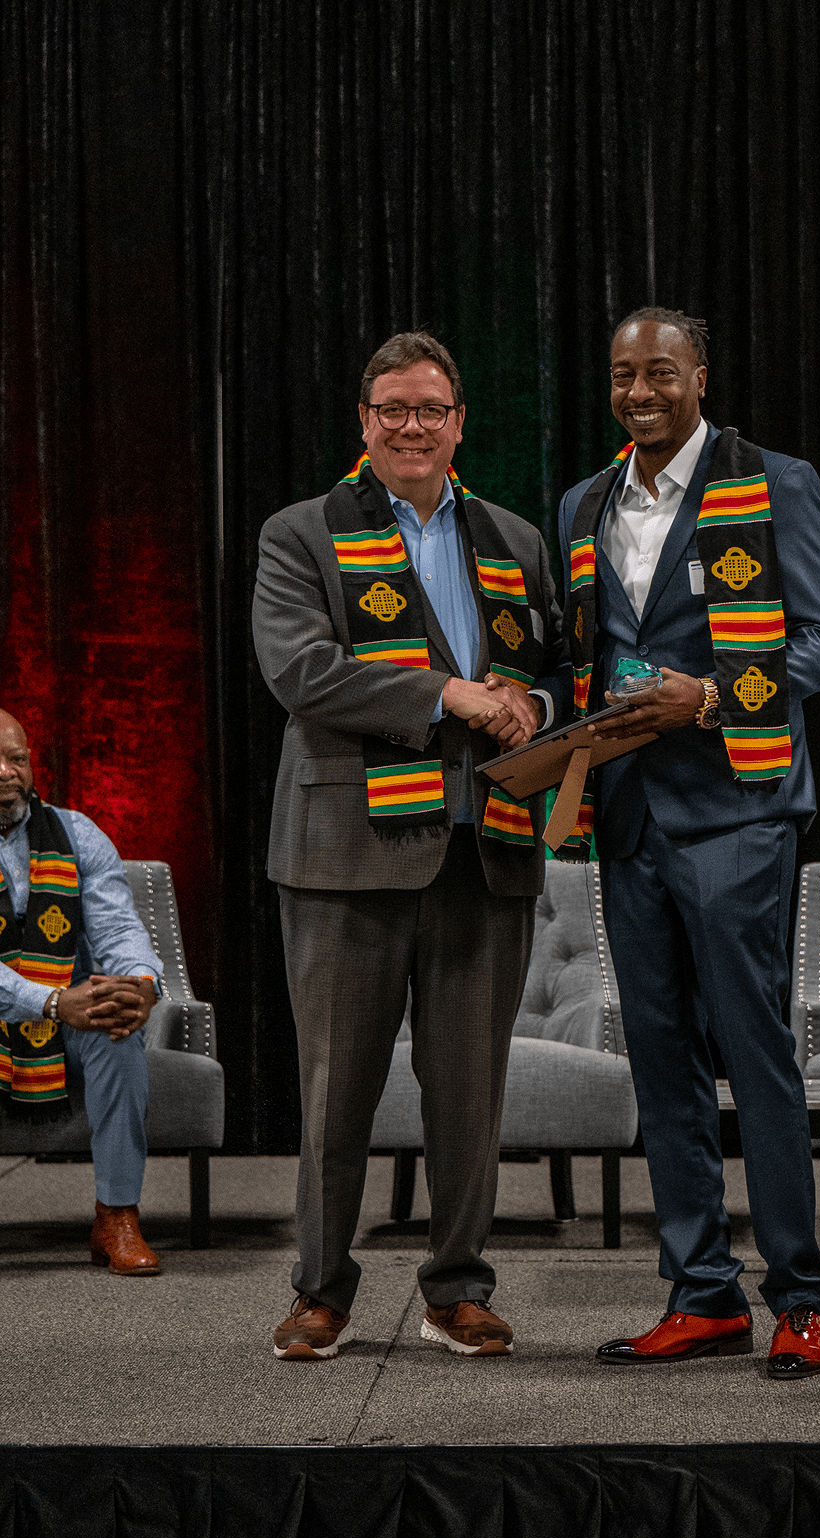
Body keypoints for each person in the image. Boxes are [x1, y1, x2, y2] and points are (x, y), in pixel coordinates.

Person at [253, 330, 569, 1362]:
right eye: (392, 408)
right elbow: (303, 671)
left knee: (471, 1090)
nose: (412, 427)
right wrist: (450, 693)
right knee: (337, 1088)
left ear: (460, 422)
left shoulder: (515, 538)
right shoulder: (302, 534)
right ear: (364, 421)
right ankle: (321, 1289)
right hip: (347, 850)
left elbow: (559, 665)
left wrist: (533, 697)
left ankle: (458, 1287)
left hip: (488, 847)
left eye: (431, 409)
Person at [557, 308, 820, 1378]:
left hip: (738, 808)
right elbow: (588, 655)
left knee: (755, 1055)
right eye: (624, 374)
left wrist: (715, 699)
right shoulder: (583, 501)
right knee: (664, 1065)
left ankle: (802, 1297)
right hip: (626, 816)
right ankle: (701, 1293)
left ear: (700, 375)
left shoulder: (773, 480)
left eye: (662, 372)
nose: (642, 391)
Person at [0, 710, 163, 1274]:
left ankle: (116, 1216)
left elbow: (116, 928)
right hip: (23, 1010)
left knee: (113, 1027)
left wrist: (139, 985)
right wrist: (48, 1001)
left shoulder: (75, 832)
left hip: (63, 1013)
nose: (7, 772)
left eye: (17, 759)